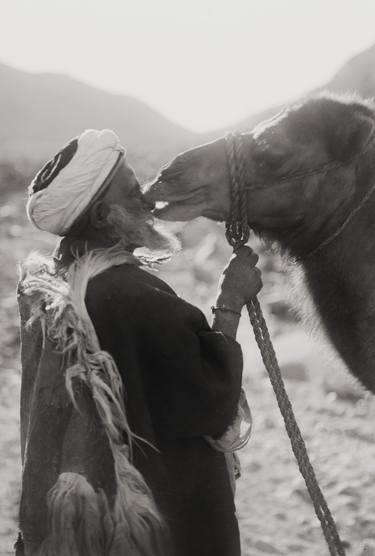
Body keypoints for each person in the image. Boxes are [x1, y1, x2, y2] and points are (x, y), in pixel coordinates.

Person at [17, 129, 262, 556]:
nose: (147, 200)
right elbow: (211, 401)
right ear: (100, 218)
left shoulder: (55, 281)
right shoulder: (129, 296)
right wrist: (230, 302)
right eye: (132, 192)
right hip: (158, 526)